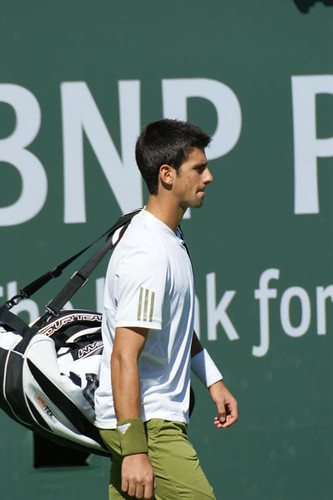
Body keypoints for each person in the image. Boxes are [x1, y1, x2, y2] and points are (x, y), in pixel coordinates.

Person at [94, 119, 238, 500]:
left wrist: (212, 378)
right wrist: (136, 448)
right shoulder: (149, 255)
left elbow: (172, 325)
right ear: (167, 175)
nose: (208, 177)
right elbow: (124, 356)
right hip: (148, 421)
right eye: (198, 168)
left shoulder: (169, 238)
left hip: (144, 418)